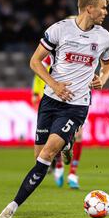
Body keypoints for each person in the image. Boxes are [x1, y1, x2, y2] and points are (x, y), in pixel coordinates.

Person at [0, 0, 109, 218]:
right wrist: (55, 85)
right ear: (89, 9)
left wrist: (101, 78)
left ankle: (12, 206)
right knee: (39, 157)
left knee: (47, 155)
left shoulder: (104, 37)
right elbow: (35, 61)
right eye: (103, 8)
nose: (106, 12)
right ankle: (67, 145)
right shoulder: (59, 30)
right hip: (50, 101)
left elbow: (108, 64)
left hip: (77, 105)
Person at [31, 17, 84, 190]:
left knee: (79, 135)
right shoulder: (52, 55)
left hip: (77, 100)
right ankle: (59, 166)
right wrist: (35, 94)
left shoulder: (83, 52)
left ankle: (73, 173)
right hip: (52, 100)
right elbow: (38, 72)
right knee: (52, 141)